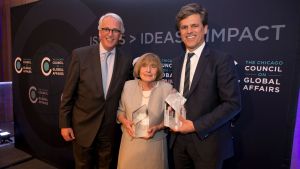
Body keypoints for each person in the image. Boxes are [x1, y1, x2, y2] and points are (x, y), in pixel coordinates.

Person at [170, 3, 242, 169]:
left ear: (205, 28)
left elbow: (232, 104)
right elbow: (179, 96)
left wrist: (195, 126)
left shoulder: (221, 60)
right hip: (178, 143)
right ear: (179, 32)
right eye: (184, 27)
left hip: (209, 144)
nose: (189, 31)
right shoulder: (176, 62)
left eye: (194, 26)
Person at [59, 13, 132, 169]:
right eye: (106, 29)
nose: (110, 34)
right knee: (83, 165)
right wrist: (64, 124)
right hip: (83, 126)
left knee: (106, 165)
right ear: (99, 32)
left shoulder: (126, 60)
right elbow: (68, 93)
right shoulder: (80, 55)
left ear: (120, 35)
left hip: (110, 127)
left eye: (115, 30)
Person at [117, 53, 172, 169]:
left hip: (155, 146)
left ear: (158, 70)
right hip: (130, 145)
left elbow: (174, 118)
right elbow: (120, 111)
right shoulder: (128, 86)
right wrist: (125, 122)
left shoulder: (167, 88)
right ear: (138, 68)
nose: (148, 70)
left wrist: (157, 127)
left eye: (153, 66)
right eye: (144, 65)